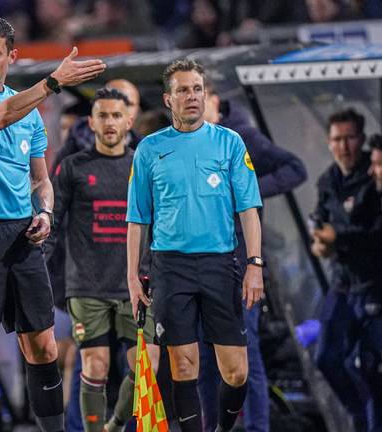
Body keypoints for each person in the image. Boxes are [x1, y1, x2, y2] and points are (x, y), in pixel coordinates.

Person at [0, 16, 106, 432]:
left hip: (23, 237)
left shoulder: (30, 113)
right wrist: (53, 82)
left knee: (43, 346)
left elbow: (41, 180)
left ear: (12, 56)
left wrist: (45, 213)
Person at [126, 59, 264, 432]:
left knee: (236, 372)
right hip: (170, 267)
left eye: (198, 89)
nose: (192, 96)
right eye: (184, 90)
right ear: (169, 99)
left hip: (221, 265)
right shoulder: (149, 149)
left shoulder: (230, 142)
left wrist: (255, 264)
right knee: (183, 365)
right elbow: (137, 218)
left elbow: (249, 209)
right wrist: (133, 279)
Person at [198, 79, 307, 432]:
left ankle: (258, 427)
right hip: (202, 264)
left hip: (243, 263)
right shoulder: (191, 140)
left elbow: (295, 168)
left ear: (213, 100)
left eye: (199, 95)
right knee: (206, 356)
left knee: (248, 352)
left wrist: (248, 191)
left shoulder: (241, 136)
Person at [47, 87, 160, 432]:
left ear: (129, 120)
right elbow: (51, 222)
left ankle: (115, 424)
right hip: (87, 285)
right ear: (91, 122)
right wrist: (37, 265)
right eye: (102, 116)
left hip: (136, 286)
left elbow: (161, 224)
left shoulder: (146, 165)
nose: (109, 122)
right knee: (93, 366)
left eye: (116, 115)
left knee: (145, 366)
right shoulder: (72, 168)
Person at [312, 112, 382, 431]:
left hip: (375, 284)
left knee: (372, 365)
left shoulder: (377, 178)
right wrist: (320, 244)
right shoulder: (327, 181)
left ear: (360, 139)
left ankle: (376, 422)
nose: (343, 146)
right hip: (343, 283)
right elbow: (319, 225)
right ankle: (359, 412)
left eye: (349, 138)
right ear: (329, 142)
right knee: (326, 357)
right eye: (337, 139)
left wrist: (340, 238)